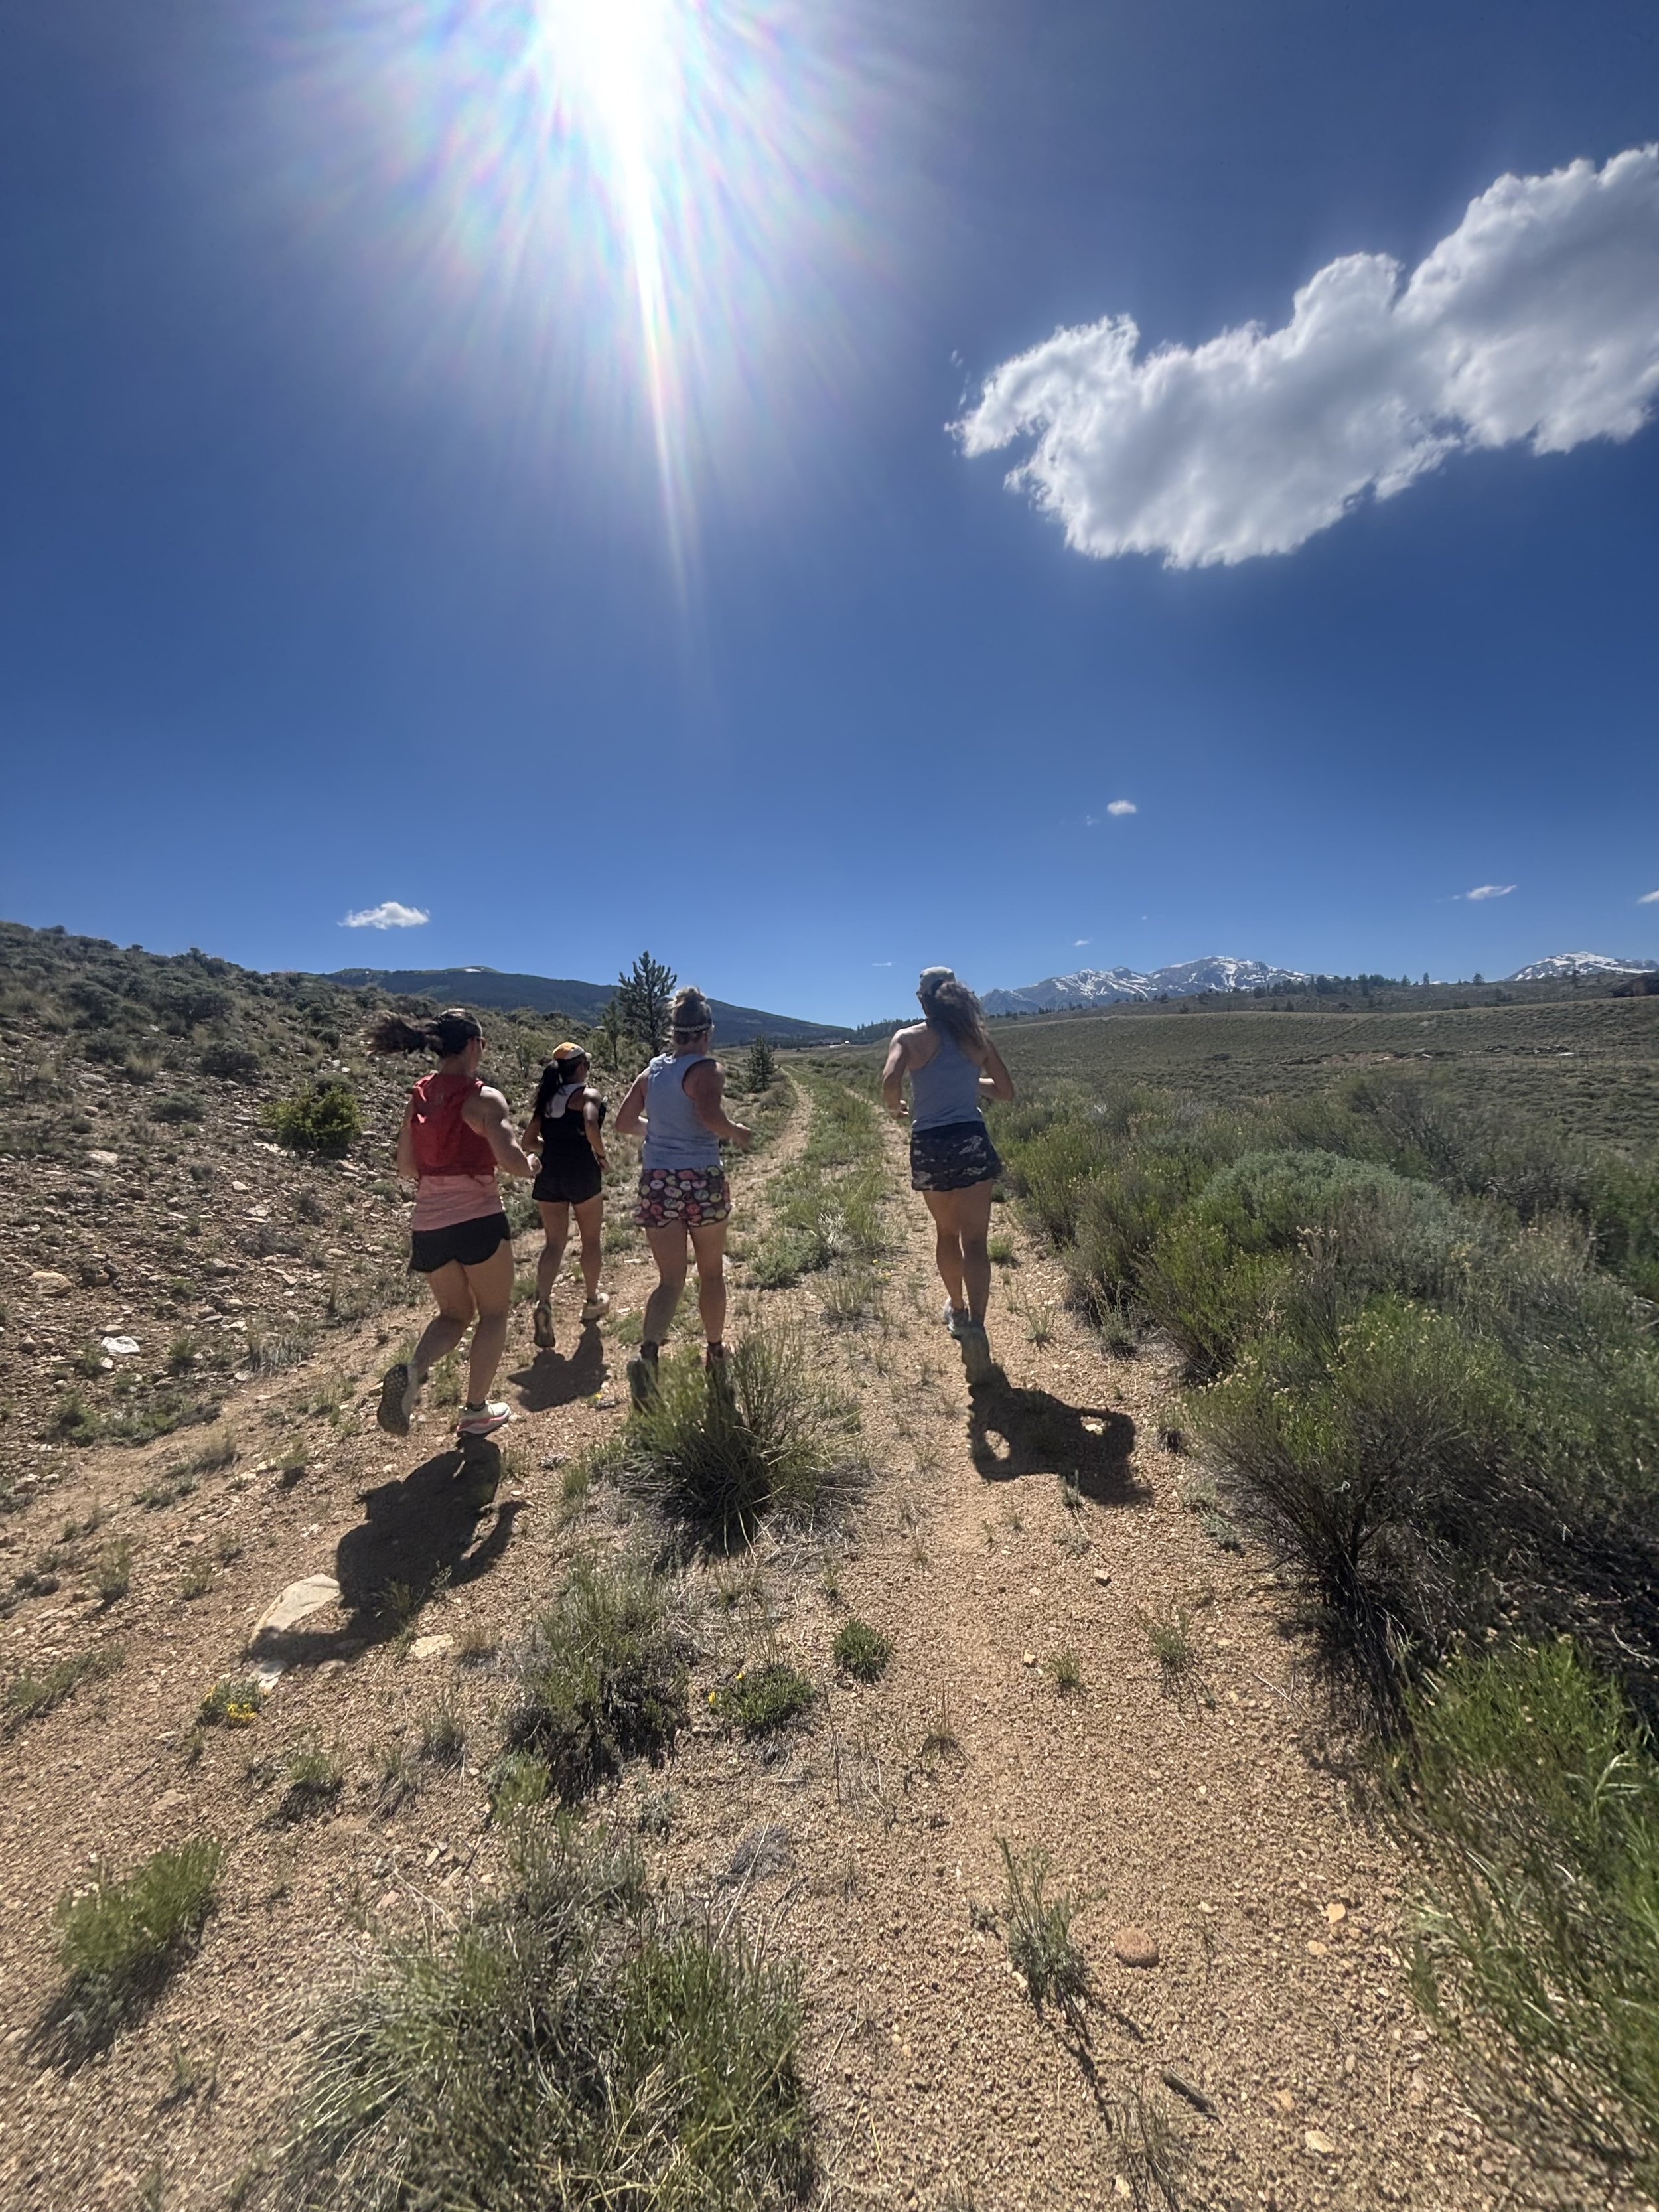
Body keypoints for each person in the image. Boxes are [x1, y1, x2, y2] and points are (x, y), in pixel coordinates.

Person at [367, 1009, 541, 1439]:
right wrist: (532, 1165)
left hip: (429, 1224)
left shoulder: (420, 1096)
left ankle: (412, 1371)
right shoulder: (484, 1098)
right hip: (479, 1218)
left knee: (453, 1314)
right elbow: (510, 1159)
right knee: (495, 1312)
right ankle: (477, 1410)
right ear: (473, 1046)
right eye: (483, 1044)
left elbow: (407, 1165)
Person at [613, 986, 752, 1404]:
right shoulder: (708, 1069)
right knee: (711, 1272)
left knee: (670, 1279)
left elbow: (623, 1122)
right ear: (707, 1032)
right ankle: (714, 1351)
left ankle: (649, 1355)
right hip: (701, 1178)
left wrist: (655, 1132)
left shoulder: (653, 1070)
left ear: (675, 1032)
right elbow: (709, 1116)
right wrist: (737, 1132)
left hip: (658, 1180)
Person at [881, 966, 1015, 1382]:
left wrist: (895, 1107)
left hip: (931, 1143)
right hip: (971, 1139)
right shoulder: (977, 1038)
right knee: (976, 1239)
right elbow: (1007, 1092)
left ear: (923, 1000)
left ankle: (956, 1311)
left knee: (946, 1234)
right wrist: (970, 1083)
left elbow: (890, 1080)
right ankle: (977, 1325)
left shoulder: (909, 1038)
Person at [519, 1042, 610, 1351]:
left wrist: (553, 1150)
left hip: (550, 1173)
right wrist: (601, 1154)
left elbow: (528, 1141)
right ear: (582, 1067)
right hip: (583, 1172)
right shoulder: (588, 1094)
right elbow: (590, 1122)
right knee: (591, 1240)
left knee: (555, 1243)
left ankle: (544, 1302)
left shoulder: (546, 1101)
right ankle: (591, 1300)